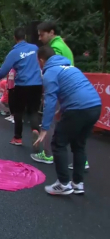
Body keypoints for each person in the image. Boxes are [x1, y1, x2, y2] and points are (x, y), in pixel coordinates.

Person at [34, 46, 101, 195]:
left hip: (78, 108)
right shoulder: (70, 67)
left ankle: (63, 184)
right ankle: (78, 183)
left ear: (41, 60)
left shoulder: (50, 72)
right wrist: (62, 111)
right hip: (95, 106)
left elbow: (50, 101)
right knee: (79, 145)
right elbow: (74, 90)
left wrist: (44, 129)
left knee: (58, 143)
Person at [32, 22, 85, 169]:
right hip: (76, 94)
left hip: (62, 92)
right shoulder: (63, 45)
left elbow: (50, 74)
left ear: (51, 32)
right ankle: (81, 158)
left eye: (42, 34)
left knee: (51, 121)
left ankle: (48, 154)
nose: (40, 38)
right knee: (73, 124)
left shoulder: (54, 49)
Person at [0, 27, 43, 146]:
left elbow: (3, 71)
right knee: (33, 111)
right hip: (37, 84)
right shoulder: (35, 48)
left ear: (15, 38)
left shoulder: (14, 53)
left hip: (22, 85)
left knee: (18, 112)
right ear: (24, 37)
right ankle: (35, 129)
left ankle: (18, 138)